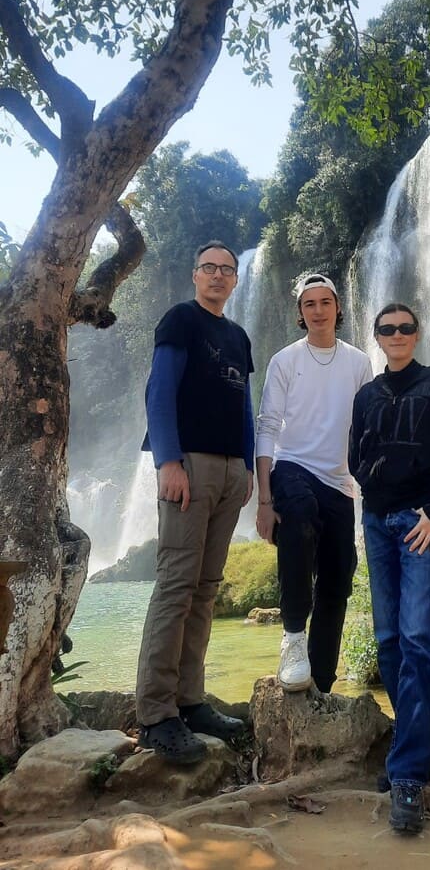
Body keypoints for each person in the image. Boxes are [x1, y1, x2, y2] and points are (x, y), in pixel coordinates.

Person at [349, 303, 430, 834]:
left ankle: (406, 776)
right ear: (377, 337)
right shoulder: (367, 395)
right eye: (387, 329)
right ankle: (416, 749)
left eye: (405, 328)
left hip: (422, 523)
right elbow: (356, 454)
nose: (396, 335)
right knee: (389, 642)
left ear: (417, 334)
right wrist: (372, 493)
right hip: (378, 523)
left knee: (420, 639)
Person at [136, 241, 254, 764]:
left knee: (206, 589)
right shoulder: (180, 320)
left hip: (231, 470)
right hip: (190, 463)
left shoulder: (238, 335)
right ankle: (156, 713)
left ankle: (191, 699)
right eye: (209, 268)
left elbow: (244, 405)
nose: (218, 276)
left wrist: (248, 465)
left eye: (226, 271)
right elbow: (158, 392)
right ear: (195, 274)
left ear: (234, 280)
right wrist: (167, 461)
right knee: (177, 585)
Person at [255, 274, 372, 695]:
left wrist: (369, 489)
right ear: (300, 312)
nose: (318, 310)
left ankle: (321, 681)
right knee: (299, 516)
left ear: (338, 308)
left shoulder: (359, 362)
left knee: (340, 575)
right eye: (310, 304)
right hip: (292, 466)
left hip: (339, 482)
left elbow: (365, 429)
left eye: (325, 302)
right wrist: (264, 500)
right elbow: (267, 426)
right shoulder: (285, 360)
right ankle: (292, 637)